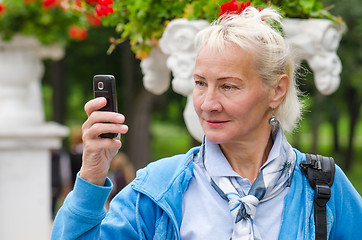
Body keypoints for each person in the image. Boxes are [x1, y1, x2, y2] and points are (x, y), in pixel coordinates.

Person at [51, 7, 362, 240]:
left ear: (276, 90)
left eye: (228, 86)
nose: (208, 104)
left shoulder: (324, 187)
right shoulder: (158, 189)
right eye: (201, 83)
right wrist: (92, 173)